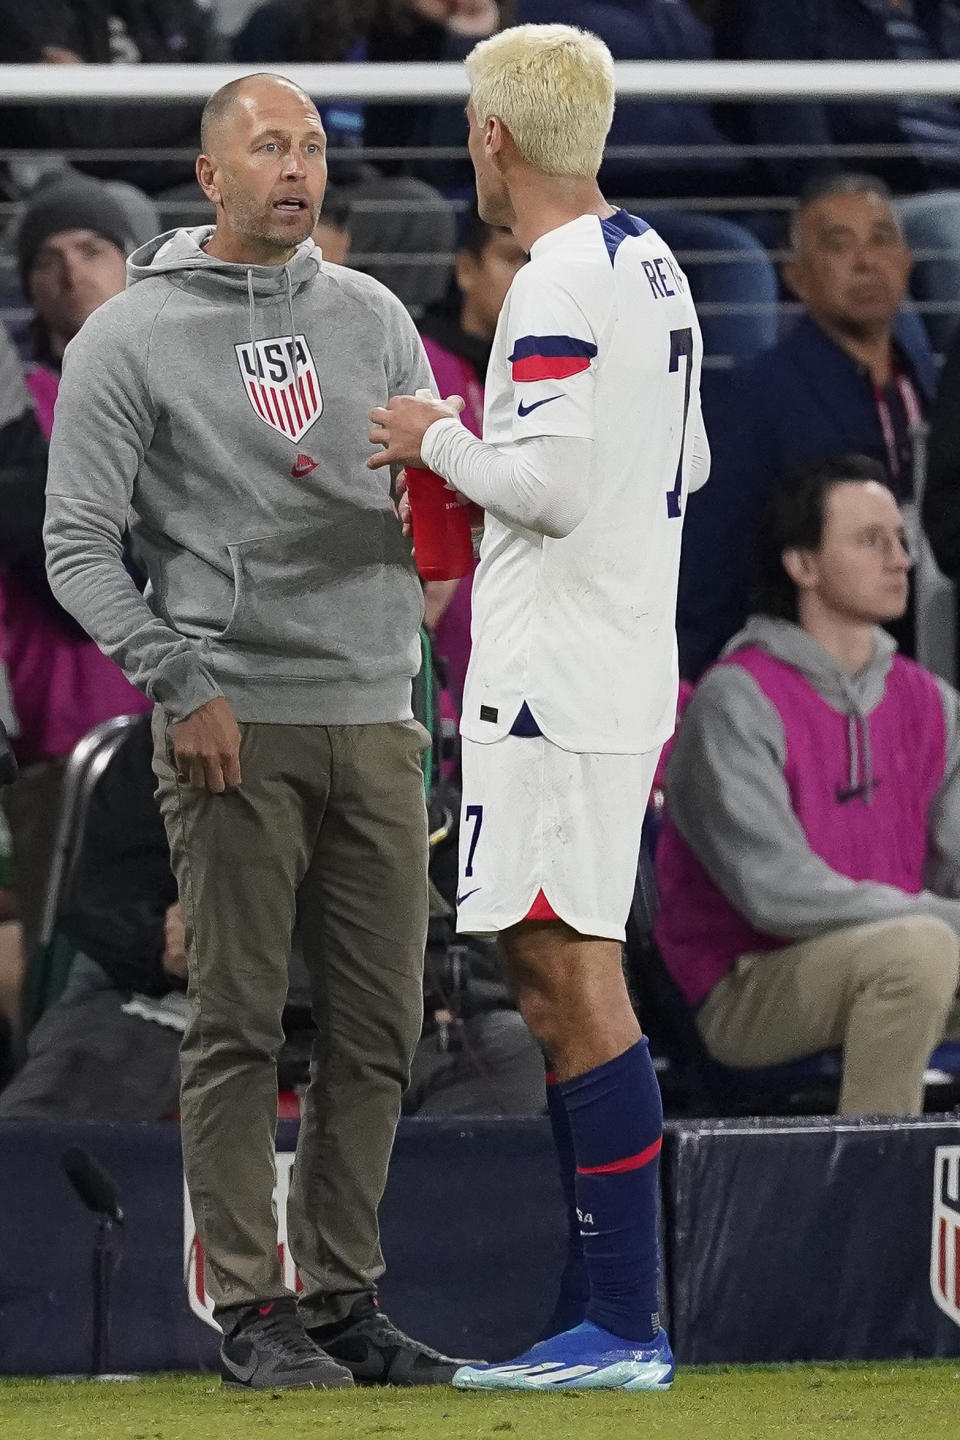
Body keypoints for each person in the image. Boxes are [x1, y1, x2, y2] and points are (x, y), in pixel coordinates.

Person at [43, 72, 464, 1392]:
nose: (299, 165)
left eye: (316, 146)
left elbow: (422, 513)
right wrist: (181, 681)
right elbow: (76, 547)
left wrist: (432, 558)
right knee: (233, 1024)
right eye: (269, 145)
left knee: (380, 1028)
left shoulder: (377, 316)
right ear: (211, 174)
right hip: (232, 718)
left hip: (375, 715)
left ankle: (342, 1297)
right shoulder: (130, 335)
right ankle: (249, 1304)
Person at [369, 22, 708, 1391]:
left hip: (554, 688)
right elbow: (687, 452)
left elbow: (553, 488)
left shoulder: (556, 282)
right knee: (560, 970)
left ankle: (622, 1321)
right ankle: (599, 1307)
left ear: (493, 138)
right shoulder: (654, 262)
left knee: (571, 981)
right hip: (613, 664)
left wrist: (433, 436)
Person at [656, 455, 960, 1116]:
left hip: (899, 948)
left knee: (921, 950)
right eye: (870, 541)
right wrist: (939, 919)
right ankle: (874, 1195)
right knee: (919, 952)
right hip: (748, 984)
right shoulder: (737, 700)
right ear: (803, 565)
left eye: (900, 540)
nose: (901, 559)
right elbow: (777, 893)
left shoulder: (931, 702)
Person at [679, 173, 938, 680]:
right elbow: (710, 574)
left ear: (906, 261)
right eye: (839, 245)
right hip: (801, 680)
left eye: (882, 239)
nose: (866, 261)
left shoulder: (930, 387)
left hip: (922, 671)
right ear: (796, 277)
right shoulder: (754, 396)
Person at [1, 176, 152, 971]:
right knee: (66, 965)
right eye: (47, 260)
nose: (71, 272)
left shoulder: (184, 387)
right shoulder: (19, 409)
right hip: (65, 722)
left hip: (201, 721)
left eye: (93, 250)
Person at [710, 0, 960, 351]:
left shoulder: (942, 14)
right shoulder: (790, 10)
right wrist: (844, 203)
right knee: (953, 230)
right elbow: (792, 132)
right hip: (885, 196)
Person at [418, 204, 527, 705]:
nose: (528, 279)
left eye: (537, 263)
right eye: (512, 259)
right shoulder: (422, 363)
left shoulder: (557, 376)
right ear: (466, 270)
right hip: (432, 678)